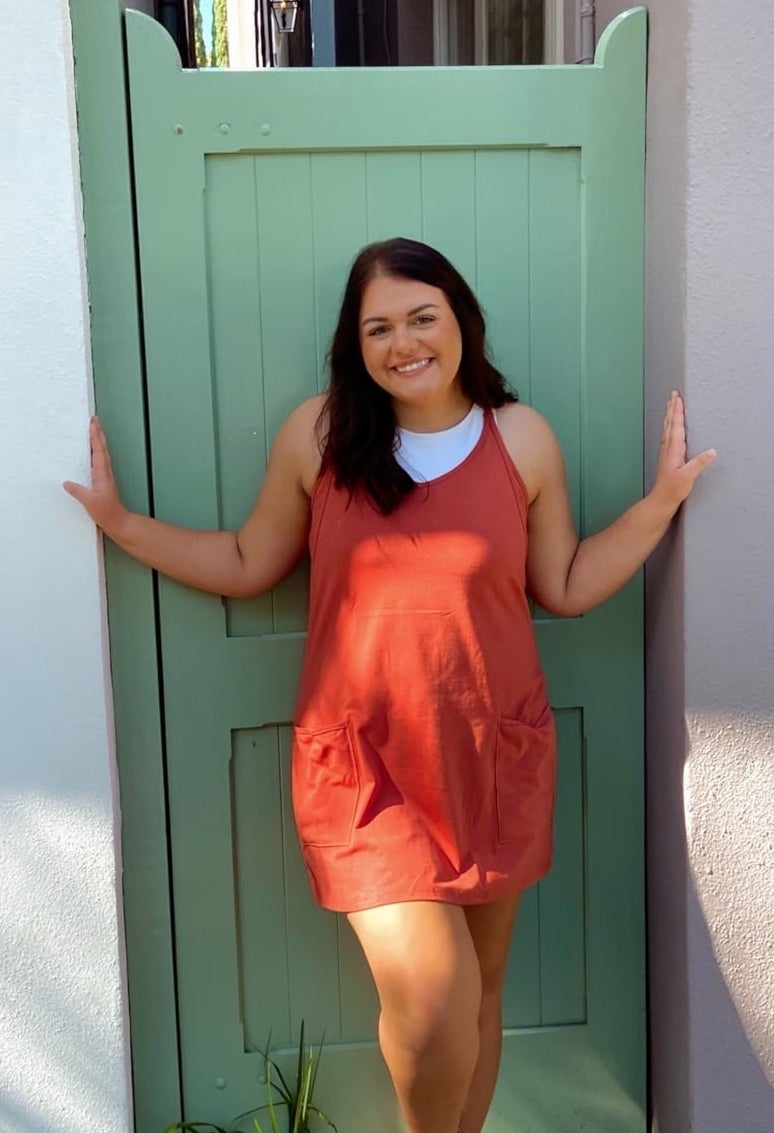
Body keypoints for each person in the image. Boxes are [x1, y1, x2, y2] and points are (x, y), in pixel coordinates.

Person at [64, 237, 715, 1133]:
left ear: (459, 323)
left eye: (422, 318)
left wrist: (658, 506)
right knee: (435, 993)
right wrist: (121, 524)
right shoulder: (320, 434)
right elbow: (251, 558)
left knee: (481, 990)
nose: (403, 343)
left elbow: (561, 582)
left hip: (494, 755)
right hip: (365, 769)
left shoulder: (519, 438)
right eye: (379, 328)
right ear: (354, 343)